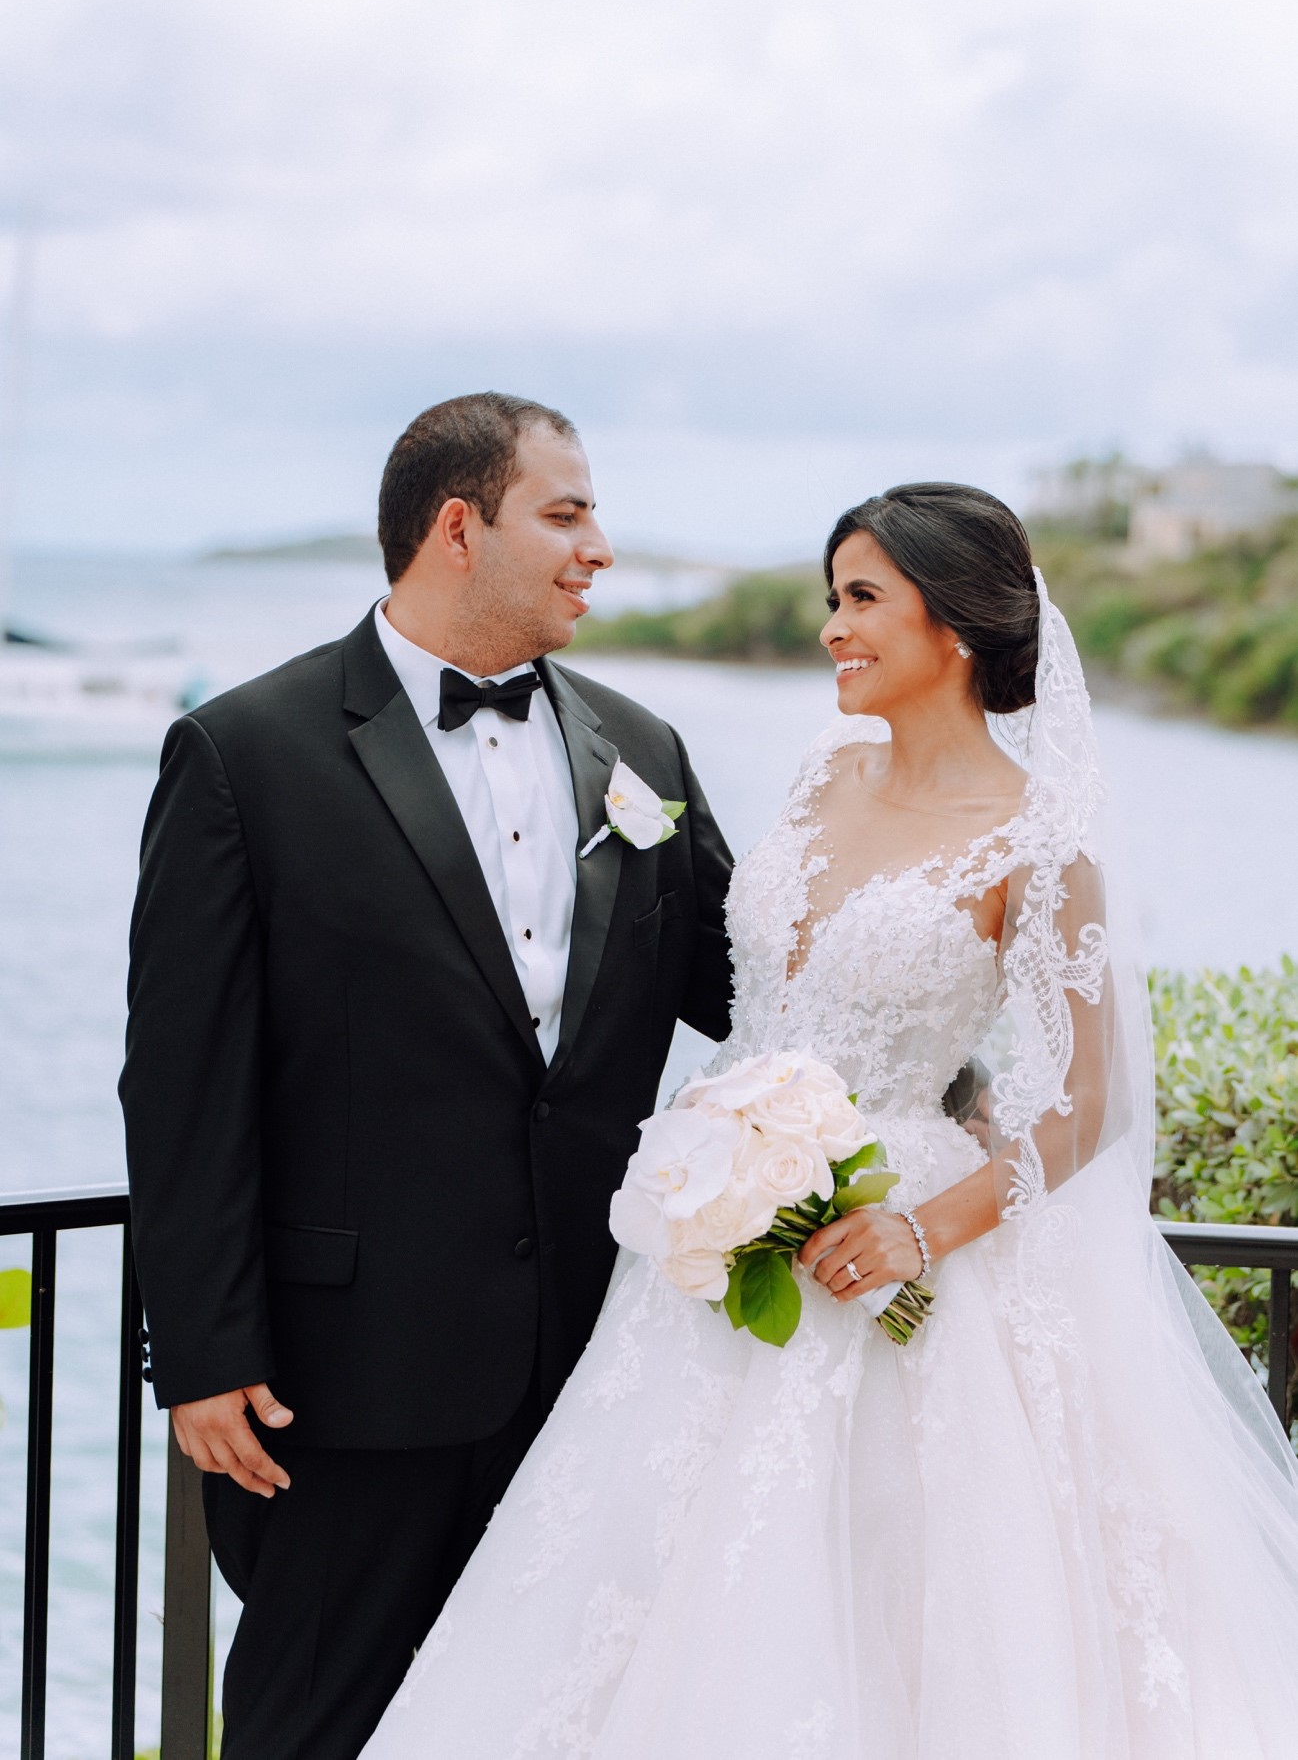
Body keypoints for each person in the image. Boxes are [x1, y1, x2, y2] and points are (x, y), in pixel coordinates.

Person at [362, 482, 1298, 1759]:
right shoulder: (820, 774)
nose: (830, 628)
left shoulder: (1038, 836)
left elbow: (1091, 1097)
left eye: (860, 597)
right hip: (714, 1239)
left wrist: (924, 1229)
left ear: (954, 623)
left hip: (898, 1248)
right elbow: (751, 996)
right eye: (827, 598)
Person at [118, 392, 735, 1759]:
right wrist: (203, 1354)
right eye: (565, 513)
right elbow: (180, 1081)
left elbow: (753, 994)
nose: (600, 548)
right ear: (459, 528)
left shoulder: (644, 753)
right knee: (308, 1727)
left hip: (593, 1364)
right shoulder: (244, 754)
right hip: (343, 1384)